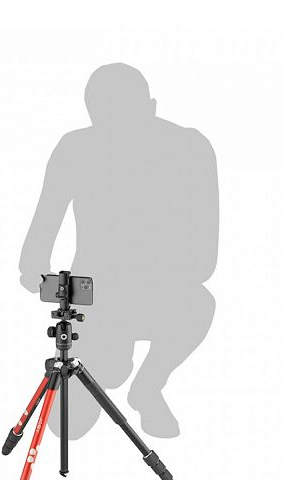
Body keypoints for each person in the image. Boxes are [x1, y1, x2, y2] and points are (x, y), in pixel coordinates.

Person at [19, 63, 218, 438]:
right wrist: (39, 274)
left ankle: (149, 385)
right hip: (98, 300)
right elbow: (39, 237)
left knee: (198, 305)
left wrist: (149, 277)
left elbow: (204, 260)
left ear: (152, 109)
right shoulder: (75, 149)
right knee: (70, 427)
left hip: (160, 294)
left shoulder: (190, 148)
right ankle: (116, 368)